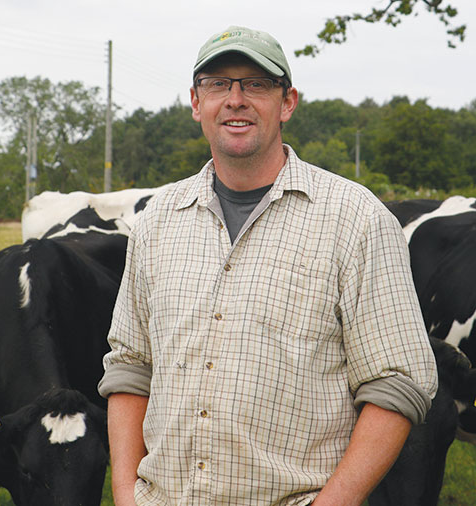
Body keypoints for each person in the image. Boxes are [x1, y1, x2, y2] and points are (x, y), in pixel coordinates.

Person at [98, 26, 437, 506]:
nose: (235, 99)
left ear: (288, 102)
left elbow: (398, 382)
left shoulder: (356, 219)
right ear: (196, 102)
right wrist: (126, 495)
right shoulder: (157, 221)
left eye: (256, 84)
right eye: (218, 84)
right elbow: (131, 368)